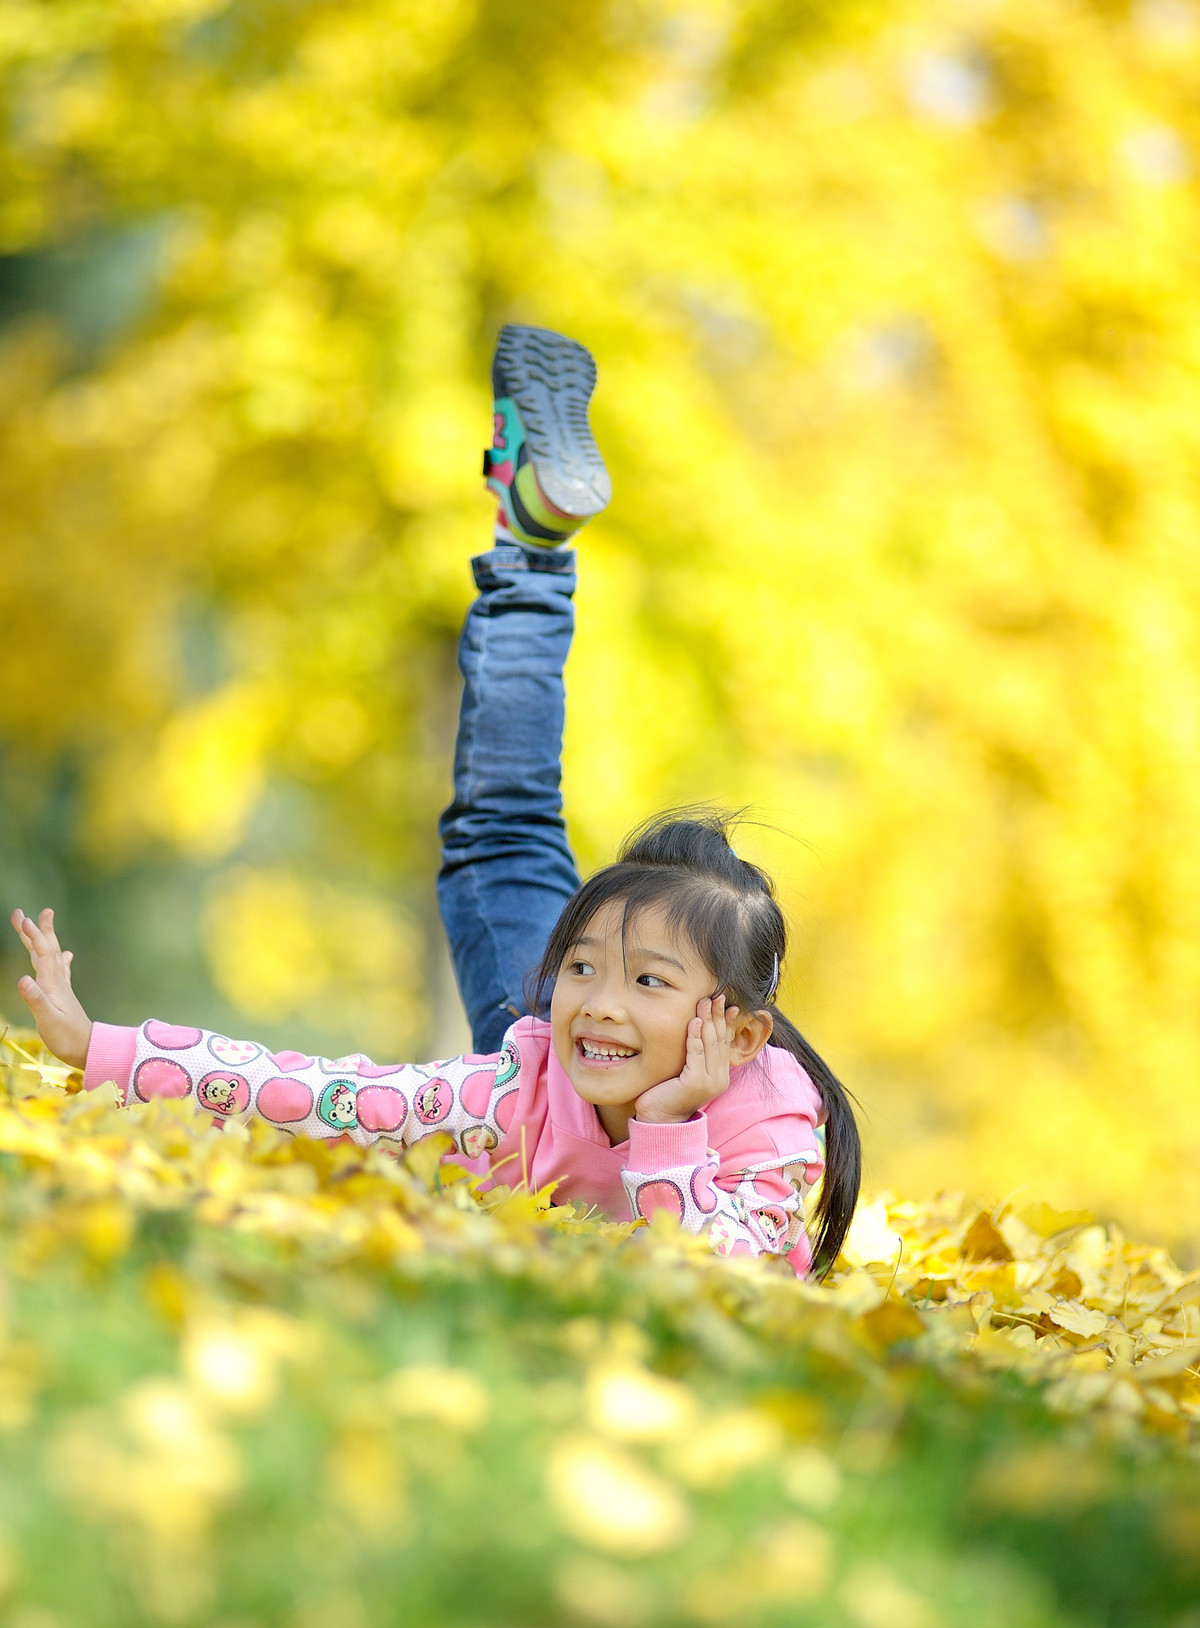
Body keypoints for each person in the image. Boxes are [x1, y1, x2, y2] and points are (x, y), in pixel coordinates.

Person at [11, 325, 861, 1276]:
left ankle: (527, 543)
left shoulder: (773, 1119)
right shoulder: (526, 1069)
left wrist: (665, 1128)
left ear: (736, 1032)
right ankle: (527, 543)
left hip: (663, 1118)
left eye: (650, 981)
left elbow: (731, 1287)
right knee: (508, 827)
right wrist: (102, 1048)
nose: (596, 1004)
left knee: (505, 824)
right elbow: (322, 1093)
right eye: (579, 967)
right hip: (532, 1093)